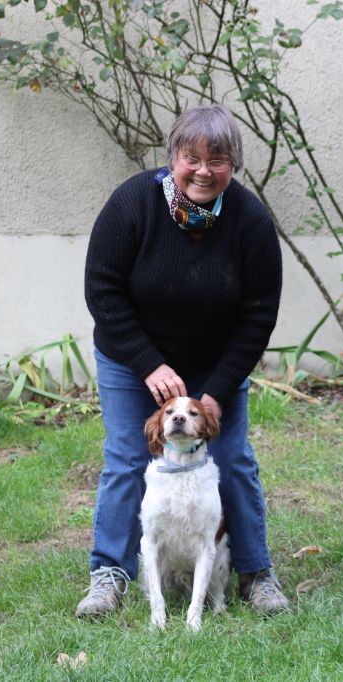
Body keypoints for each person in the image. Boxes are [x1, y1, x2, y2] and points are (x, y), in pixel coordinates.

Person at [77, 104, 288, 619]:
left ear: (232, 164)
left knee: (234, 459)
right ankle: (109, 573)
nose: (202, 170)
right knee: (128, 458)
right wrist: (149, 364)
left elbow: (258, 317)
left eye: (216, 160)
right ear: (173, 157)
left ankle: (256, 573)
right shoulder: (132, 204)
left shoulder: (251, 221)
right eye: (191, 157)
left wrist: (215, 389)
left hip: (216, 364)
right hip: (134, 360)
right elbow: (101, 291)